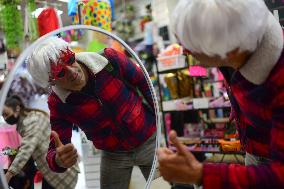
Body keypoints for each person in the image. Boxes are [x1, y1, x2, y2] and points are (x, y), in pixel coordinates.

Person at [157, 0, 284, 188]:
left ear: (229, 52)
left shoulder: (279, 81)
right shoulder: (241, 40)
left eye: (191, 46)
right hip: (253, 145)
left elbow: (279, 177)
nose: (184, 51)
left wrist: (199, 174)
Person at [27, 37, 156, 189]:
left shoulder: (109, 60)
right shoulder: (58, 103)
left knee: (176, 184)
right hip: (114, 154)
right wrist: (58, 161)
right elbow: (55, 147)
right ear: (51, 82)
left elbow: (144, 83)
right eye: (60, 73)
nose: (72, 70)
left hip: (148, 139)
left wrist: (159, 118)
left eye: (69, 59)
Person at [3, 95, 79, 189]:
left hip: (61, 170)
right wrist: (8, 152)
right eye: (3, 116)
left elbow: (27, 148)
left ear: (17, 109)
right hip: (54, 168)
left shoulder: (32, 121)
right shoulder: (26, 123)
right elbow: (26, 148)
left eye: (6, 114)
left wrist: (9, 175)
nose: (5, 118)